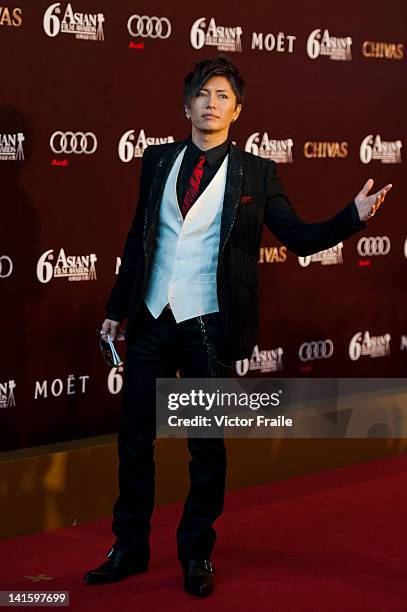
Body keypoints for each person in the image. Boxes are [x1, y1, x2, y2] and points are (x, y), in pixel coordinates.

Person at [83, 56, 392, 597]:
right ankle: (128, 548)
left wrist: (352, 217)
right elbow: (139, 240)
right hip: (151, 321)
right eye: (203, 93)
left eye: (223, 96)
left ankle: (196, 553)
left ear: (238, 111)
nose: (211, 103)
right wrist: (117, 307)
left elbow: (296, 239)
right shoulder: (156, 162)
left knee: (206, 446)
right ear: (186, 106)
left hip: (209, 326)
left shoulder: (256, 173)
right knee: (134, 440)